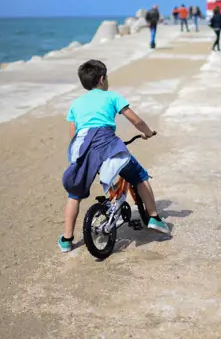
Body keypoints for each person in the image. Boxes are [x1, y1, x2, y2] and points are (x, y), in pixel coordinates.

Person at [59, 60, 171, 252]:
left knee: (74, 194)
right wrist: (148, 132)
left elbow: (73, 134)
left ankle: (67, 240)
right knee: (139, 175)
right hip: (107, 144)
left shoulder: (76, 104)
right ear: (102, 79)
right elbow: (135, 119)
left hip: (82, 148)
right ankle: (154, 217)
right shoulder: (112, 96)